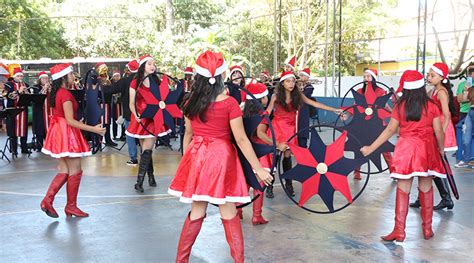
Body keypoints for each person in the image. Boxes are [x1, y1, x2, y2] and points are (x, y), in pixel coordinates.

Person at [168, 51, 273, 262]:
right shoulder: (229, 104)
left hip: (198, 157)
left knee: (197, 211)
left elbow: (188, 135)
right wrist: (258, 168)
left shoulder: (190, 103)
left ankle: (181, 260)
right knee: (228, 211)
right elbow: (242, 140)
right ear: (222, 75)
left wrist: (187, 163)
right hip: (222, 159)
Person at [360, 70, 445, 241]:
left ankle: (399, 231)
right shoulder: (432, 106)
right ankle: (427, 229)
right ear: (421, 87)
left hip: (406, 149)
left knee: (403, 189)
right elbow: (438, 131)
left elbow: (390, 130)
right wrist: (441, 149)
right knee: (426, 188)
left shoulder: (400, 106)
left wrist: (371, 148)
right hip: (426, 150)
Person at [40, 63, 105, 218]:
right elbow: (70, 120)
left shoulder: (56, 93)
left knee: (64, 170)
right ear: (64, 77)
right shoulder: (66, 95)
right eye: (71, 74)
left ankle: (47, 201)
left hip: (58, 133)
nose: (73, 77)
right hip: (67, 134)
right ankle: (70, 206)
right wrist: (94, 129)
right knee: (75, 170)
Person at [264, 71, 343, 198]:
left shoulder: (298, 95)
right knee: (275, 156)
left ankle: (288, 185)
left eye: (293, 81)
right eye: (288, 81)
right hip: (277, 128)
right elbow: (267, 111)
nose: (291, 83)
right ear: (282, 83)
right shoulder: (276, 96)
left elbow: (315, 104)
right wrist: (258, 119)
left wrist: (334, 110)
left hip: (290, 129)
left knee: (287, 156)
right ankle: (269, 185)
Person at [410, 62, 457, 210]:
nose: (429, 77)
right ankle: (424, 197)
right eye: (428, 75)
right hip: (433, 129)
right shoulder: (434, 91)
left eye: (432, 75)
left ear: (442, 77)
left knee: (435, 166)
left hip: (441, 129)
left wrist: (440, 135)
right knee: (427, 165)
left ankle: (446, 198)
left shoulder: (441, 92)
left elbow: (447, 115)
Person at [126, 54, 168, 192]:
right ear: (143, 66)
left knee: (147, 149)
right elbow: (131, 103)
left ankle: (139, 182)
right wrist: (136, 115)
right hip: (140, 119)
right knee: (145, 151)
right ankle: (151, 176)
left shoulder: (156, 81)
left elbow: (163, 98)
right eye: (149, 64)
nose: (152, 66)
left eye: (153, 64)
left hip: (153, 119)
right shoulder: (134, 82)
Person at [352, 69, 394, 180]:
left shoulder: (380, 91)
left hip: (378, 123)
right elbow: (355, 107)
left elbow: (385, 106)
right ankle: (357, 171)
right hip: (363, 124)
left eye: (368, 76)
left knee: (385, 148)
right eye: (364, 76)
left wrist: (393, 113)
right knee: (359, 148)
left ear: (374, 78)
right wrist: (346, 114)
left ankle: (393, 170)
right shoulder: (359, 91)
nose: (366, 79)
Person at [106, 60, 140, 165]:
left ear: (129, 69)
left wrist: (99, 85)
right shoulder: (145, 80)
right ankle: (146, 157)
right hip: (144, 113)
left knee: (130, 136)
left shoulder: (126, 81)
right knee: (143, 136)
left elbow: (111, 89)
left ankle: (133, 158)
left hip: (129, 113)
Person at [455, 66, 474, 167]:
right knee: (466, 139)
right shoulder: (465, 84)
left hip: (471, 110)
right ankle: (465, 159)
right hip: (467, 112)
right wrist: (468, 90)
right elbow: (461, 99)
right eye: (470, 73)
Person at [30, 71, 52, 150]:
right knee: (40, 127)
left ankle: (51, 144)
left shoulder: (51, 86)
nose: (45, 79)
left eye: (46, 78)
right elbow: (37, 98)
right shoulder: (35, 87)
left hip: (50, 111)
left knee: (51, 127)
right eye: (43, 78)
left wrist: (50, 89)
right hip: (40, 111)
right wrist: (44, 88)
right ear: (40, 79)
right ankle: (40, 146)